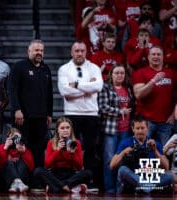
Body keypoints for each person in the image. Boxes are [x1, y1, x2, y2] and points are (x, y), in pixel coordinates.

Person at [57, 40, 103, 185]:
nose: (79, 53)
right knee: (71, 148)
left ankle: (87, 181)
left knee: (91, 149)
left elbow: (98, 86)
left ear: (86, 52)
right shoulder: (64, 69)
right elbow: (65, 91)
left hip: (91, 114)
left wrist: (76, 85)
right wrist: (87, 89)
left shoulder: (94, 68)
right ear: (72, 52)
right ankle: (71, 180)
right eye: (76, 51)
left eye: (82, 51)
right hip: (71, 114)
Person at [9, 39, 53, 168]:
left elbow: (49, 93)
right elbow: (12, 90)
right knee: (22, 147)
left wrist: (49, 114)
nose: (39, 53)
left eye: (41, 50)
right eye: (36, 50)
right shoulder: (19, 67)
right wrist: (17, 109)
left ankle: (37, 179)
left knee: (39, 149)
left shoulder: (46, 68)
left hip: (41, 117)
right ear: (28, 51)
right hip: (23, 117)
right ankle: (22, 177)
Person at [110, 116, 174, 193]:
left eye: (142, 128)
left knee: (170, 176)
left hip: (150, 177)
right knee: (122, 170)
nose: (140, 131)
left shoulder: (155, 143)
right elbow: (112, 165)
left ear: (147, 128)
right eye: (137, 128)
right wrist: (123, 153)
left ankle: (145, 187)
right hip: (133, 177)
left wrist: (155, 150)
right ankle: (147, 186)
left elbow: (166, 167)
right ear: (133, 129)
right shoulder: (126, 142)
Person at [98, 64, 134, 193]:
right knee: (109, 160)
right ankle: (110, 188)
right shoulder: (105, 87)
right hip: (111, 131)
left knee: (123, 160)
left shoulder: (128, 89)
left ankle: (120, 188)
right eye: (116, 73)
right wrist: (120, 111)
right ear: (111, 75)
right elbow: (102, 107)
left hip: (126, 130)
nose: (119, 75)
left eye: (122, 73)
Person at [34, 117, 92, 193]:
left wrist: (72, 154)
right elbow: (47, 165)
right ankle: (67, 187)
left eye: (68, 128)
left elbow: (79, 167)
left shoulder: (76, 143)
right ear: (57, 130)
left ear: (71, 129)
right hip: (55, 174)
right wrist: (57, 150)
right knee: (38, 171)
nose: (65, 130)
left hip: (71, 174)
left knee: (88, 173)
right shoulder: (51, 142)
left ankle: (55, 187)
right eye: (62, 128)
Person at [132, 46, 177, 146]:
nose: (156, 56)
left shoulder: (171, 73)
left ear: (163, 57)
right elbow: (138, 95)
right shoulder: (140, 73)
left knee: (164, 153)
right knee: (143, 151)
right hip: (146, 122)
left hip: (166, 122)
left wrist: (173, 114)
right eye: (153, 54)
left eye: (158, 54)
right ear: (148, 57)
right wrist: (153, 81)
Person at [0, 128, 34, 193]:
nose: (17, 140)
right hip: (7, 181)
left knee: (21, 162)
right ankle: (16, 183)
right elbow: (0, 165)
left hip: (23, 181)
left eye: (19, 138)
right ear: (8, 138)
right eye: (14, 138)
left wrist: (24, 152)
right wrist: (5, 148)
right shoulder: (2, 147)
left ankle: (18, 183)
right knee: (9, 163)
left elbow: (31, 168)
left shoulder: (24, 149)